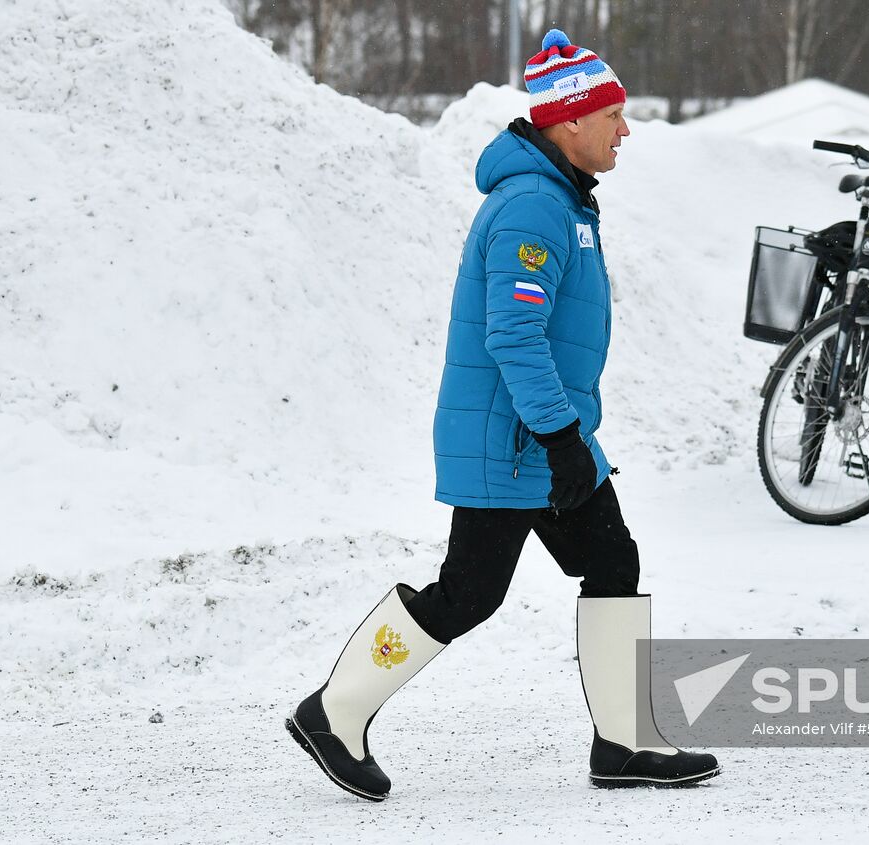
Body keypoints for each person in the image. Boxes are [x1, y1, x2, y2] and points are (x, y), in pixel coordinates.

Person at [285, 29, 719, 801]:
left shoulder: (562, 202)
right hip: (517, 439)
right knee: (467, 593)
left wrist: (567, 436)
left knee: (613, 559)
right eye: (614, 115)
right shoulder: (532, 210)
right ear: (571, 121)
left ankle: (621, 742)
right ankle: (334, 711)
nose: (627, 130)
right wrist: (558, 439)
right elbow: (513, 335)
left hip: (545, 436)